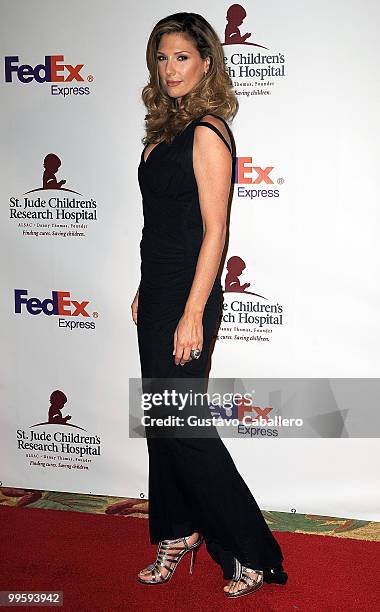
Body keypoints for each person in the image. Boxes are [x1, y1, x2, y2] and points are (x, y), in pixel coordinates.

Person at [131, 12, 288, 599]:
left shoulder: (207, 131)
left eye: (182, 57)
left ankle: (251, 551)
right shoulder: (161, 132)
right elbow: (162, 223)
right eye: (162, 58)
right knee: (163, 424)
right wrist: (146, 288)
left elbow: (215, 232)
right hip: (159, 290)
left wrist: (193, 309)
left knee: (186, 427)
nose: (170, 69)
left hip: (190, 294)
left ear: (206, 64)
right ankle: (177, 530)